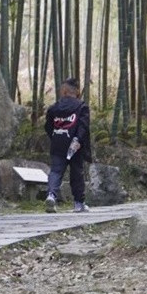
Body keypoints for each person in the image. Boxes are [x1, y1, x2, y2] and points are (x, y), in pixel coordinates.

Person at [44, 78, 91, 213]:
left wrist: (55, 136)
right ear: (77, 92)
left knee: (56, 171)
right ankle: (78, 203)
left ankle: (51, 195)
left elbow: (48, 126)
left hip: (58, 143)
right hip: (75, 145)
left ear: (64, 91)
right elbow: (83, 126)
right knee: (77, 173)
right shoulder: (81, 107)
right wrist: (78, 140)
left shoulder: (54, 108)